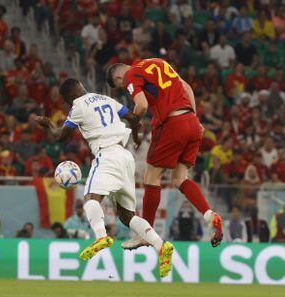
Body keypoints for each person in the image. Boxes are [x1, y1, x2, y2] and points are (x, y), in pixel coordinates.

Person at [35, 78, 173, 278]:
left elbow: (60, 137)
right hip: (126, 156)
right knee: (127, 216)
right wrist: (135, 138)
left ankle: (101, 236)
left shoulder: (78, 106)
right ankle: (161, 245)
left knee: (91, 200)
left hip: (106, 154)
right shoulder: (105, 99)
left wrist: (47, 123)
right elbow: (134, 119)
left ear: (68, 97)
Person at [106, 59, 223, 250]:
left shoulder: (129, 75)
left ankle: (145, 233)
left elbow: (141, 105)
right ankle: (210, 215)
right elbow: (186, 87)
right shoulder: (158, 62)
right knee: (179, 178)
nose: (124, 87)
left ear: (118, 77)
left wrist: (133, 125)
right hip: (192, 122)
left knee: (151, 177)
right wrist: (194, 116)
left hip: (171, 124)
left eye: (120, 86)